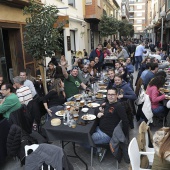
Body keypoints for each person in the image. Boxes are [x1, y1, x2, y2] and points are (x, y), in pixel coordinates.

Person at [92, 87, 129, 162]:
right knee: (86, 131)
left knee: (84, 139)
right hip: (100, 129)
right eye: (109, 94)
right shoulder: (107, 103)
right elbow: (96, 109)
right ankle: (99, 148)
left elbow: (125, 121)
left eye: (112, 94)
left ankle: (98, 150)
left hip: (107, 134)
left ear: (117, 95)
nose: (110, 96)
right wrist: (98, 112)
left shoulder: (118, 106)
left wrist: (123, 136)